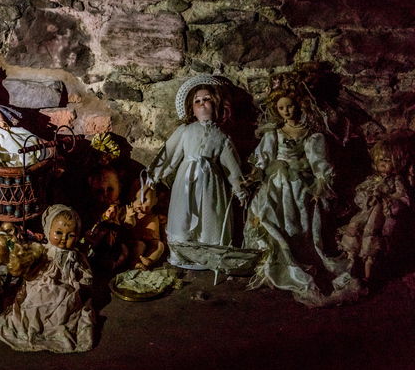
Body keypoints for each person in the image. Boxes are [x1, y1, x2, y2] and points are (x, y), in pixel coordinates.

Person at [244, 74, 362, 307]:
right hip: (275, 184)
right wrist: (254, 175)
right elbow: (262, 159)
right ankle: (273, 258)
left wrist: (320, 186)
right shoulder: (273, 133)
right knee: (270, 217)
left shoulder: (311, 135)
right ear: (276, 110)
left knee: (299, 223)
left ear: (299, 105)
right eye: (281, 108)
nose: (286, 111)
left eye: (290, 106)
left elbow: (320, 164)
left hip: (299, 185)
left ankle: (301, 258)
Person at [144, 75, 246, 270]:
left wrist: (240, 189)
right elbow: (170, 152)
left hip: (211, 184)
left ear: (216, 104)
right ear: (191, 107)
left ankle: (208, 253)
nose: (202, 104)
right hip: (186, 179)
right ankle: (183, 252)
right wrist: (155, 174)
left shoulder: (222, 137)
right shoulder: (185, 130)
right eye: (197, 101)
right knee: (183, 213)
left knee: (210, 213)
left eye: (207, 99)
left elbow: (231, 167)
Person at [0, 204, 95, 353]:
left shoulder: (75, 256)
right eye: (58, 233)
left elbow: (85, 271)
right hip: (42, 283)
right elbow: (33, 265)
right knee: (37, 301)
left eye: (70, 235)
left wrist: (84, 283)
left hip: (67, 286)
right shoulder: (45, 251)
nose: (63, 239)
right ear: (48, 230)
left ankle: (55, 325)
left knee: (66, 306)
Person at [337, 136, 410, 282]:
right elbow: (359, 196)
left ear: (396, 163)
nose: (383, 163)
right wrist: (368, 198)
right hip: (366, 214)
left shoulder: (396, 180)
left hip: (381, 216)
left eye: (388, 160)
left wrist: (388, 200)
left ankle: (369, 274)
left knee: (371, 242)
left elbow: (404, 198)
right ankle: (350, 264)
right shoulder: (372, 179)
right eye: (381, 160)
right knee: (355, 231)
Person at [124, 182, 166, 270]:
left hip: (152, 242)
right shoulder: (133, 215)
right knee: (140, 245)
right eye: (135, 199)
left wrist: (166, 242)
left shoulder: (156, 217)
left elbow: (165, 231)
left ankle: (150, 259)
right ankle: (134, 262)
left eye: (145, 200)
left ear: (155, 201)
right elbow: (128, 226)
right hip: (137, 242)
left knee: (160, 245)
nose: (139, 204)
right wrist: (129, 217)